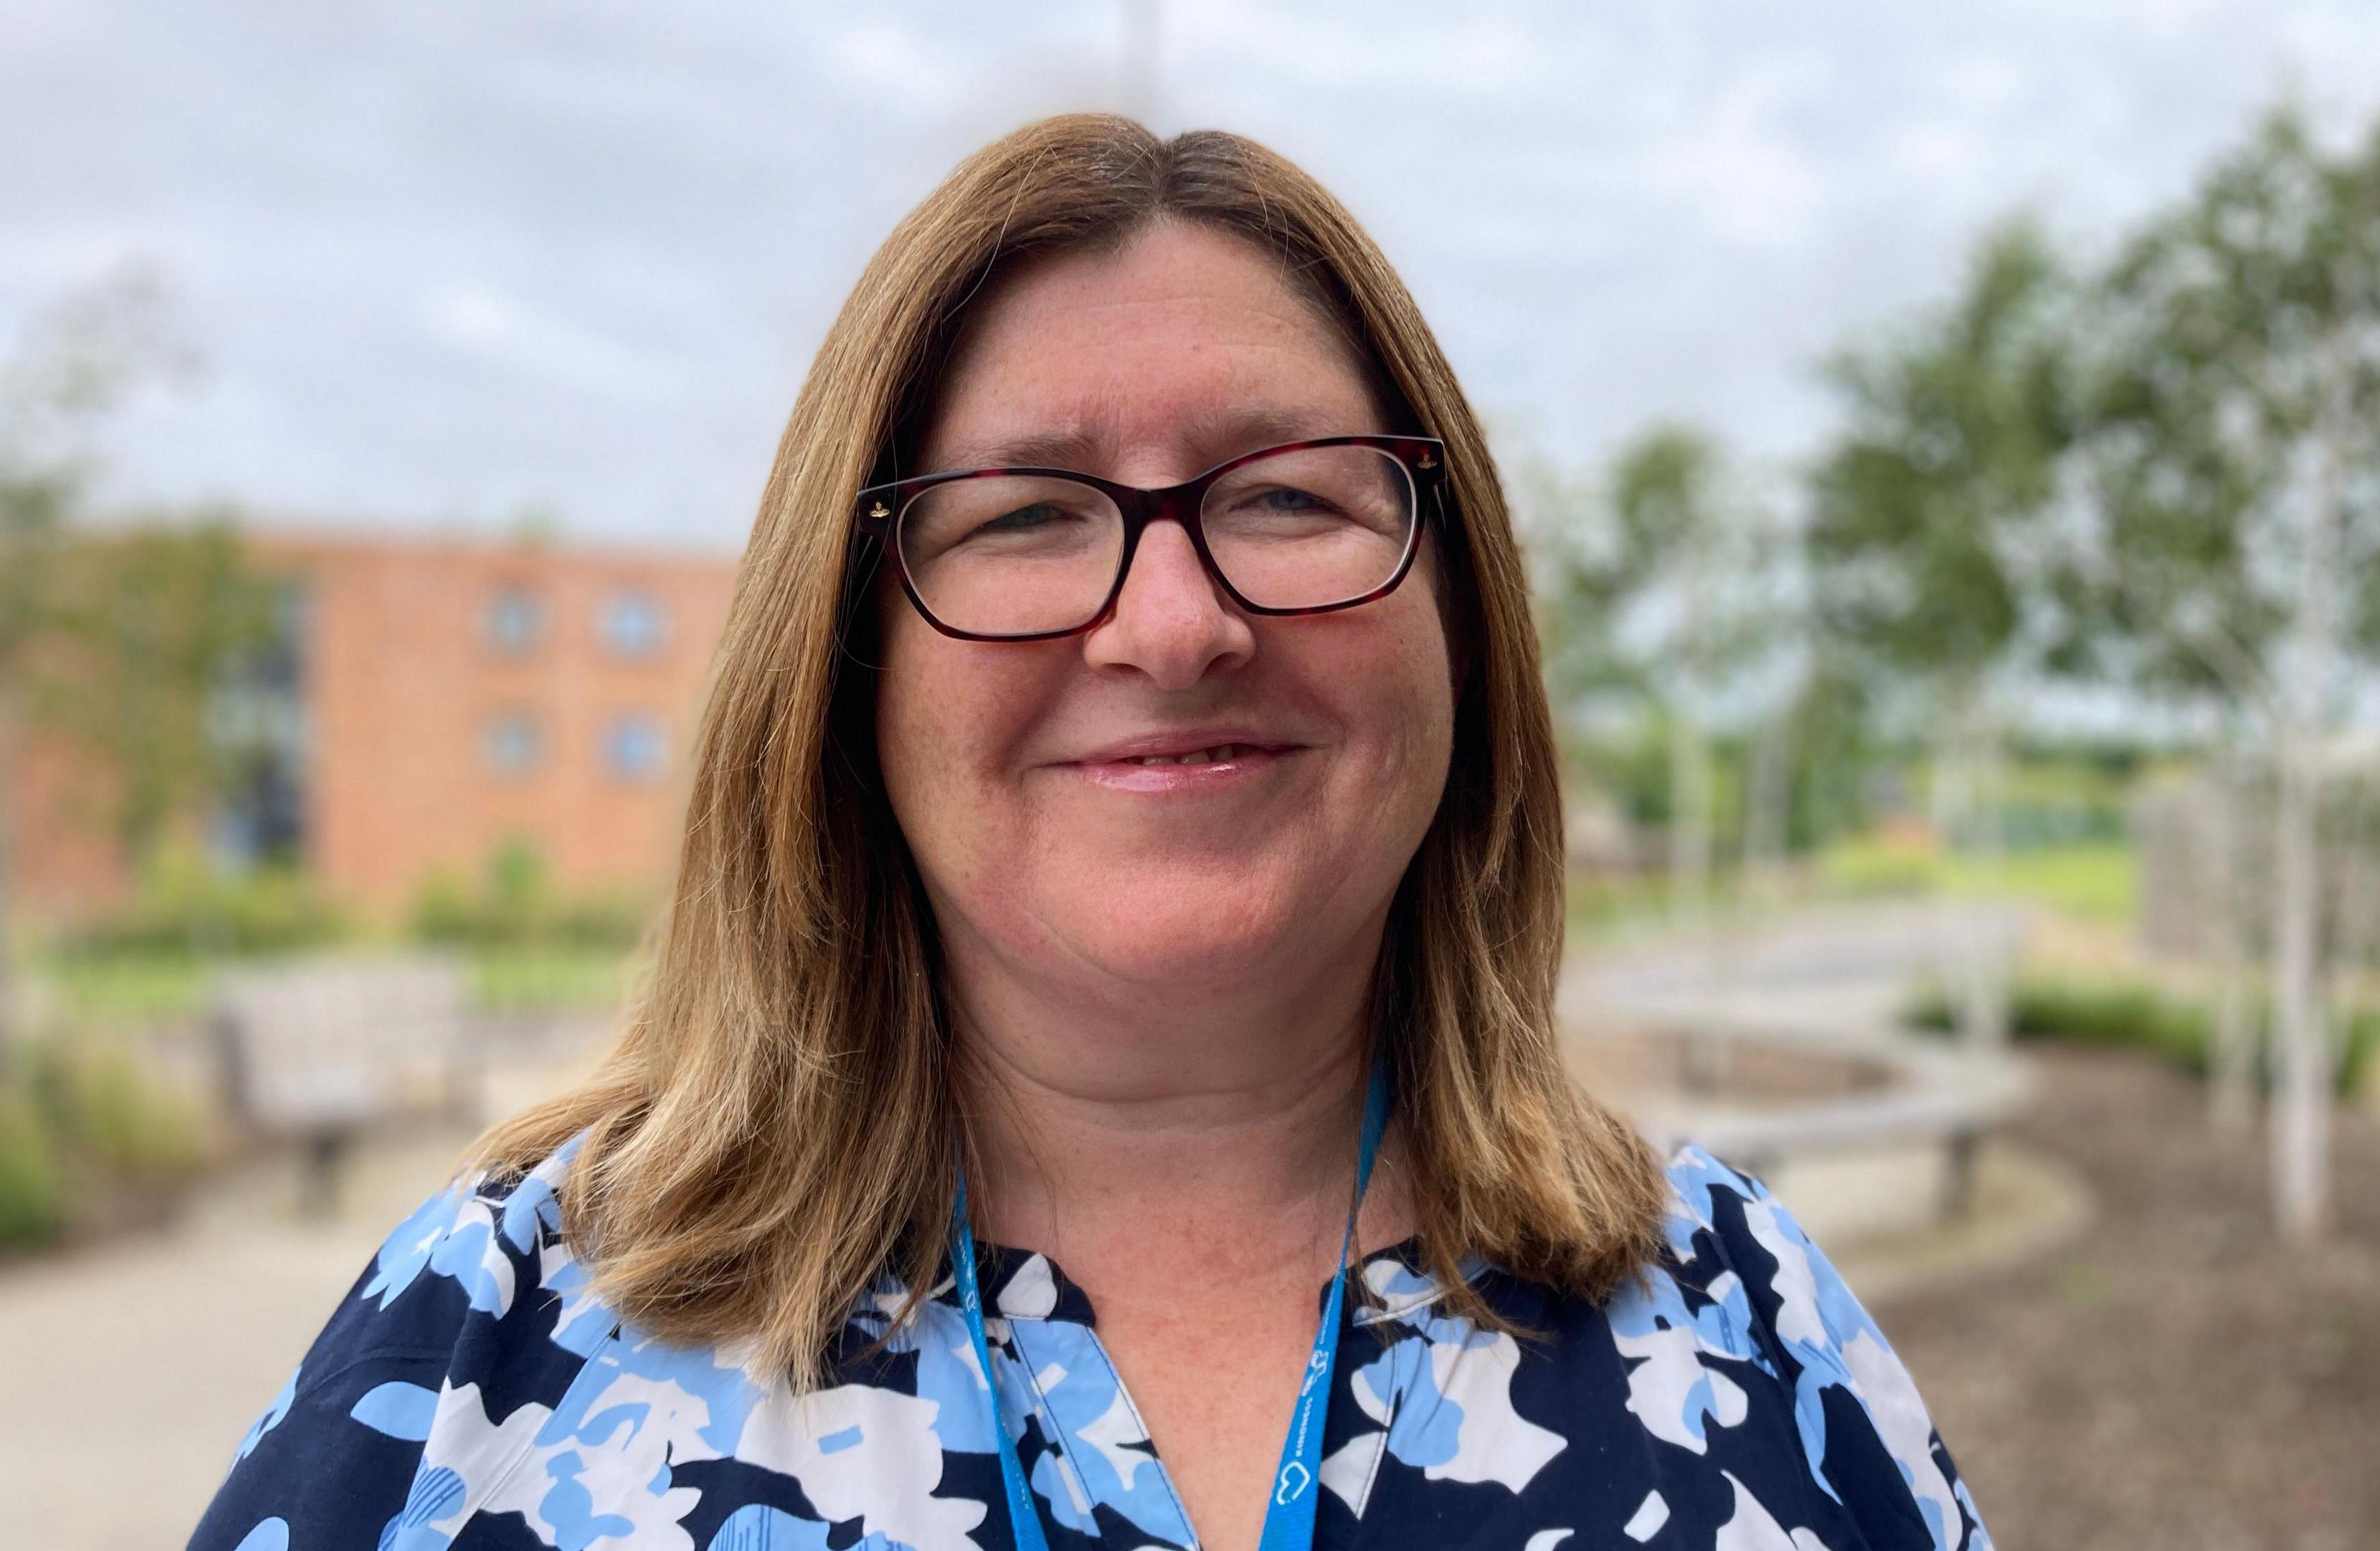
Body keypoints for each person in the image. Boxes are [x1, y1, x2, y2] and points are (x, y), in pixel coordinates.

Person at [192, 114, 1992, 1551]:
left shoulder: (1743, 1313)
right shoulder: (484, 1348)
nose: (1174, 624)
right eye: (1029, 515)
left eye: (1288, 493)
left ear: (1464, 612)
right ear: (844, 659)